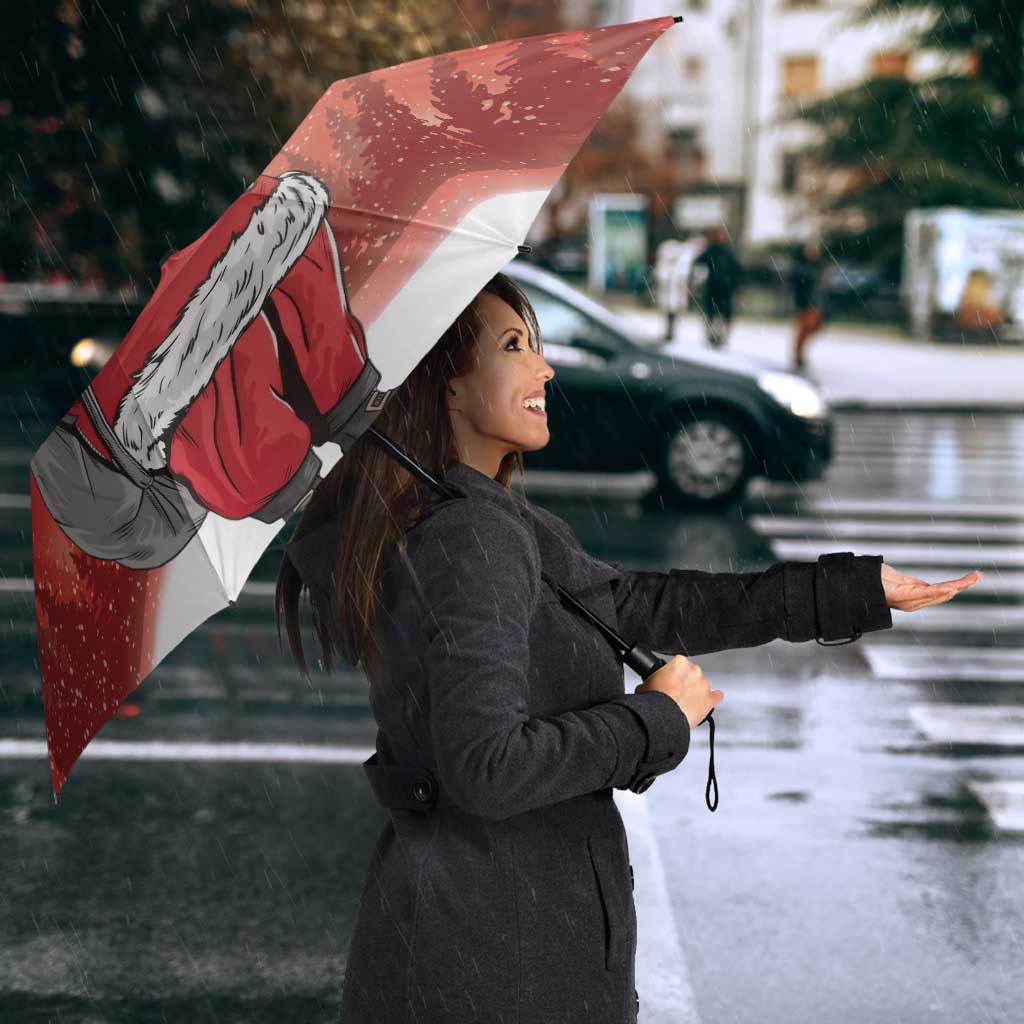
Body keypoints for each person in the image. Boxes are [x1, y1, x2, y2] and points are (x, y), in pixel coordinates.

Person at [276, 271, 980, 1024]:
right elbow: (487, 767)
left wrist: (850, 591)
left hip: (483, 942)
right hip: (497, 963)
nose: (544, 368)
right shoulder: (470, 536)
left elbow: (643, 605)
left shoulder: (482, 519)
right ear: (446, 386)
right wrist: (655, 719)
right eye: (514, 346)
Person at [692, 226, 742, 349]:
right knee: (713, 314)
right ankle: (713, 337)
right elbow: (698, 264)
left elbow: (736, 270)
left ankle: (719, 337)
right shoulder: (712, 251)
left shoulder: (725, 252)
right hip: (715, 288)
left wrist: (735, 284)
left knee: (720, 315)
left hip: (723, 288)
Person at [790, 239, 826, 371]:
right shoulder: (802, 267)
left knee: (812, 328)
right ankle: (798, 355)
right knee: (804, 329)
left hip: (814, 303)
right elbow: (799, 286)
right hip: (805, 303)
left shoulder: (817, 266)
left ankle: (800, 354)